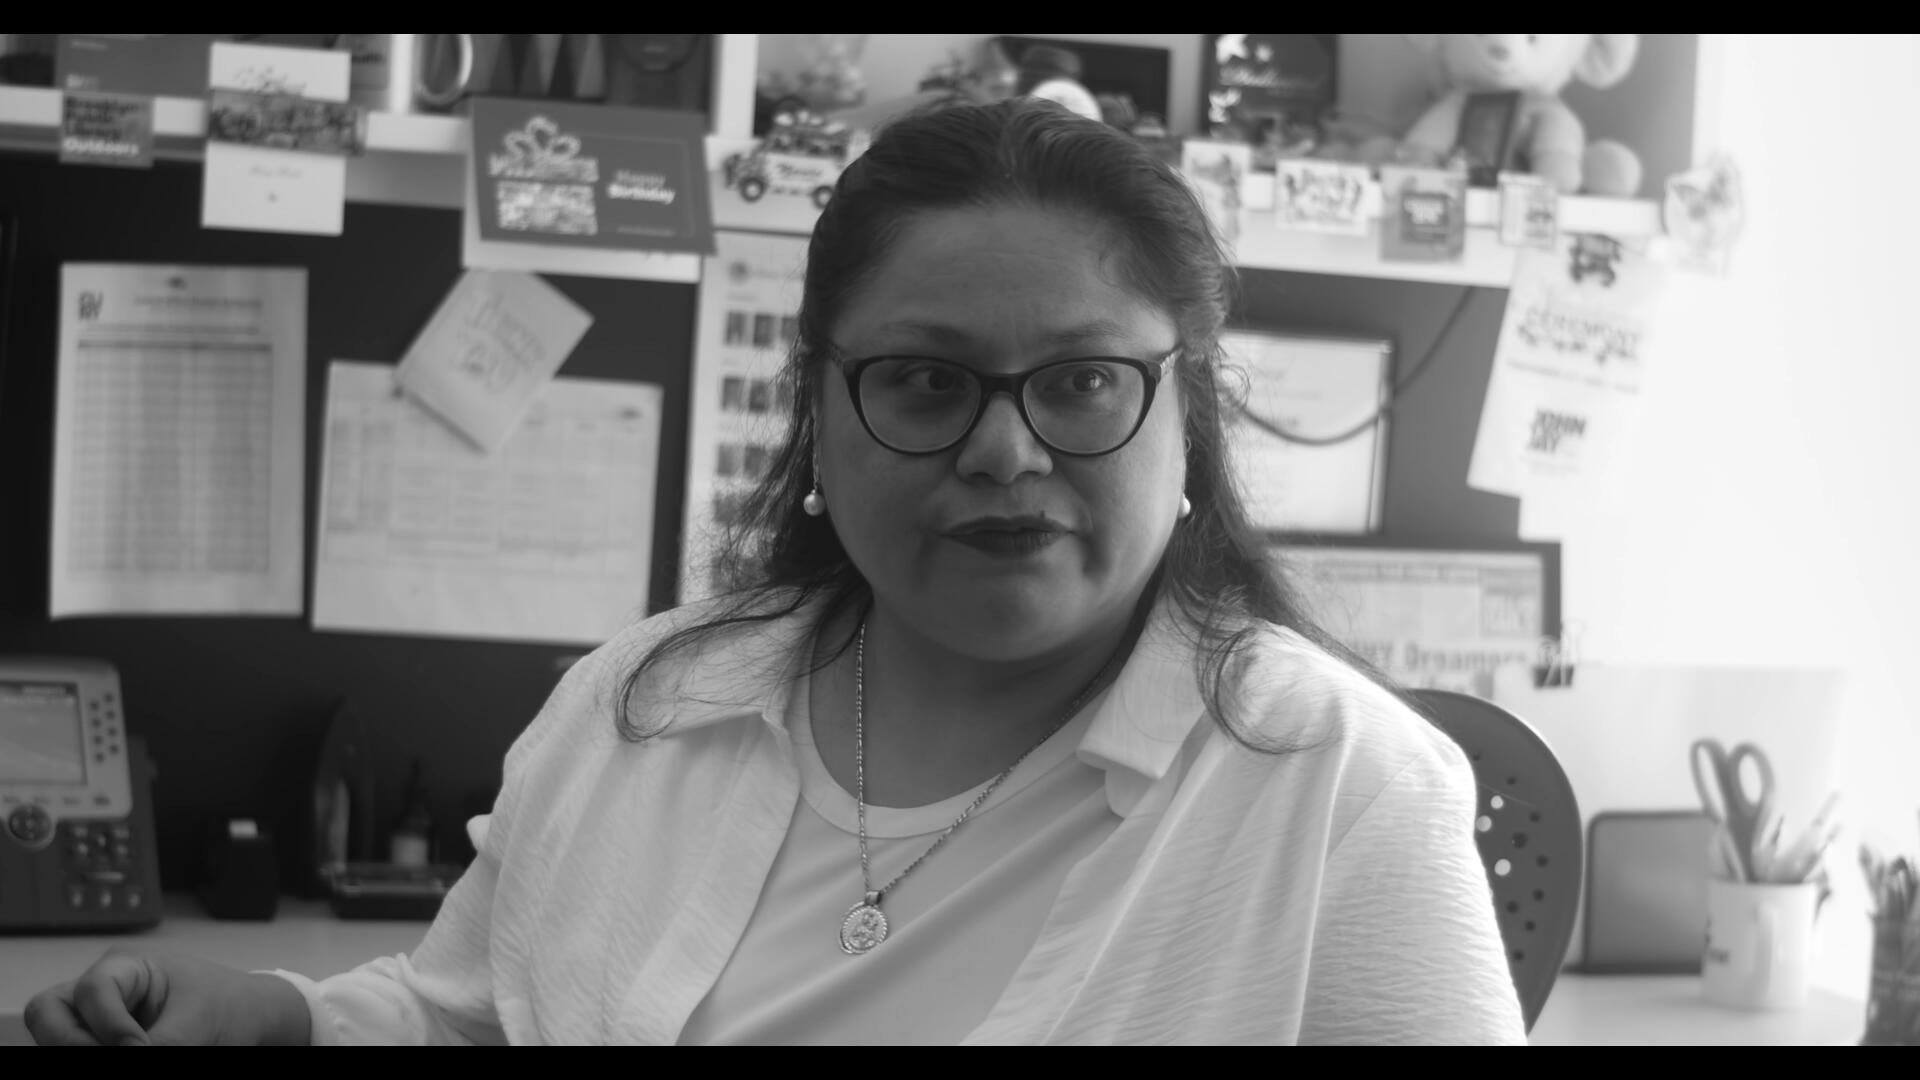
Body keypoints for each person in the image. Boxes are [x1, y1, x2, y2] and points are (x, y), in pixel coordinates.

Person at [27, 98, 1525, 1046]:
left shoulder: (1337, 790)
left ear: (1185, 418)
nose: (1006, 452)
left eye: (1080, 382)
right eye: (926, 384)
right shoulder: (645, 701)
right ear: (819, 414)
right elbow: (472, 1016)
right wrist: (282, 1022)